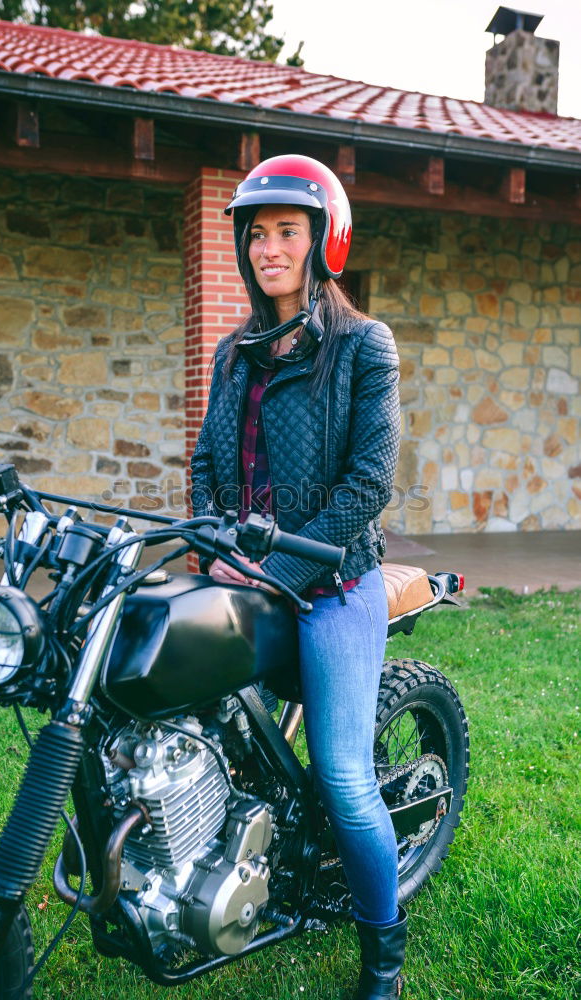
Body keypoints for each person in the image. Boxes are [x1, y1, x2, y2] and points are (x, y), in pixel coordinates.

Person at [189, 154, 405, 999]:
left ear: (322, 240)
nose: (267, 247)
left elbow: (368, 486)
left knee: (346, 781)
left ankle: (382, 955)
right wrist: (212, 539)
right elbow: (208, 457)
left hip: (333, 585)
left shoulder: (363, 345)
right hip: (239, 575)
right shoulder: (233, 350)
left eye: (286, 230)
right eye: (255, 233)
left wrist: (275, 567)